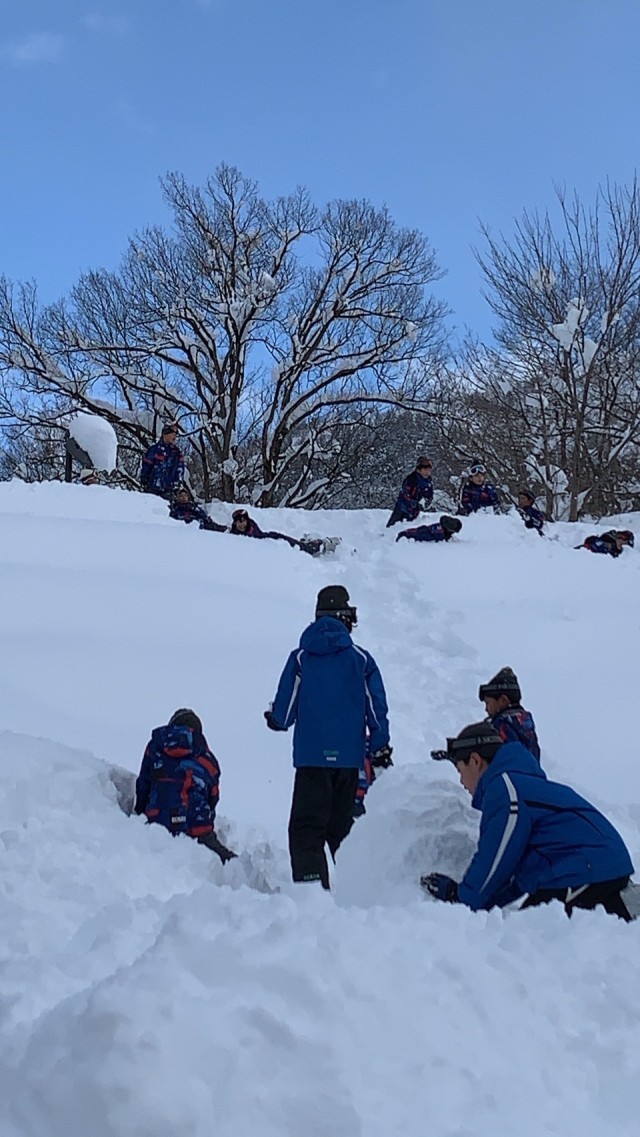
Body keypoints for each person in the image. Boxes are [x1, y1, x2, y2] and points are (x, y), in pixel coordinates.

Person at [422, 722, 634, 919]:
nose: (461, 781)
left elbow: (496, 857)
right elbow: (515, 876)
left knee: (527, 945)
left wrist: (459, 897)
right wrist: (480, 904)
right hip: (597, 867)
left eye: (460, 770)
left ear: (476, 761)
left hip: (583, 870)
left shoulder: (505, 788)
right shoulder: (521, 783)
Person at [264, 585, 392, 889]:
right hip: (348, 762)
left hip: (310, 760)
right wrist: (379, 746)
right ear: (345, 618)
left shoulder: (301, 658)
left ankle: (312, 891)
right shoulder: (360, 660)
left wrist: (276, 720)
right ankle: (358, 890)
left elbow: (285, 712)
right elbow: (376, 707)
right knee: (342, 830)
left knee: (307, 830)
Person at [134, 708, 236, 864]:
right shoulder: (208, 760)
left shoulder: (156, 747)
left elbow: (144, 783)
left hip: (159, 822)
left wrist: (139, 813)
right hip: (196, 826)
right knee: (229, 864)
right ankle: (244, 876)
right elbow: (213, 797)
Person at [478, 667, 541, 762]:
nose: (486, 709)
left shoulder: (500, 726)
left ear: (503, 700)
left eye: (488, 703)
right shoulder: (525, 726)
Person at [230, 508, 331, 556]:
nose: (241, 524)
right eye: (238, 522)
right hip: (269, 543)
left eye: (243, 521)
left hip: (273, 539)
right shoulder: (232, 535)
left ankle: (320, 544)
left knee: (299, 547)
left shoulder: (251, 529)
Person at [140, 422, 185, 499]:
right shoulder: (154, 450)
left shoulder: (177, 453)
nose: (174, 436)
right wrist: (144, 480)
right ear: (165, 434)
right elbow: (146, 466)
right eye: (172, 433)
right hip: (152, 488)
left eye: (175, 434)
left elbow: (180, 470)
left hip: (168, 490)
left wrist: (177, 484)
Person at [386, 457, 434, 528]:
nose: (427, 472)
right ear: (418, 470)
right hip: (402, 508)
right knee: (392, 527)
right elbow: (405, 492)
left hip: (414, 511)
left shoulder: (429, 482)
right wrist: (412, 501)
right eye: (424, 470)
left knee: (408, 528)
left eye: (429, 470)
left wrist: (427, 502)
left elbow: (429, 495)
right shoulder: (411, 479)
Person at [396, 515, 462, 543]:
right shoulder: (439, 531)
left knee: (422, 531)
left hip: (434, 530)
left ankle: (405, 533)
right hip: (433, 532)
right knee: (421, 533)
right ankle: (405, 534)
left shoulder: (443, 526)